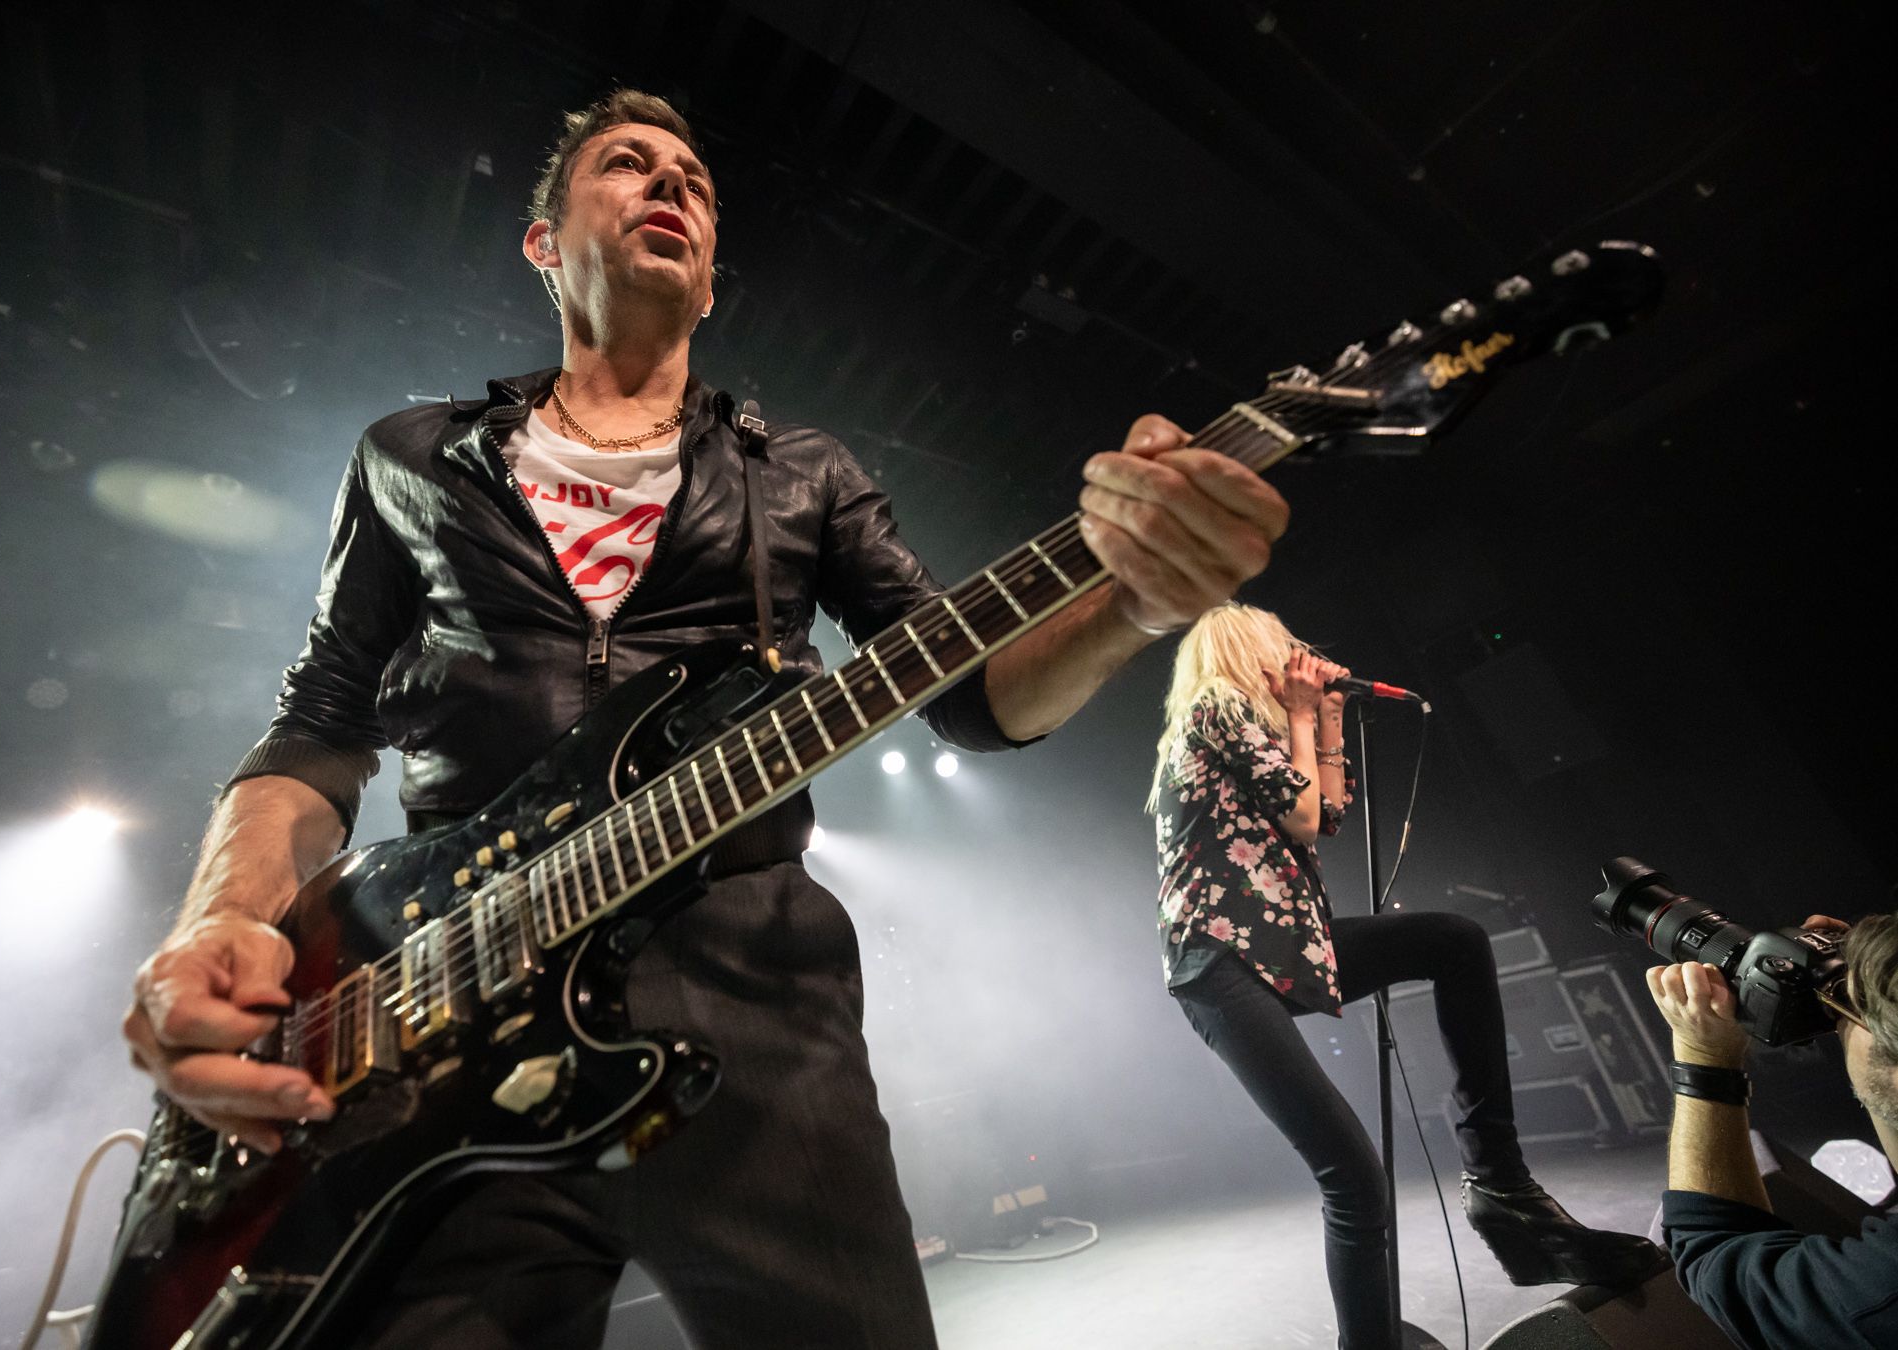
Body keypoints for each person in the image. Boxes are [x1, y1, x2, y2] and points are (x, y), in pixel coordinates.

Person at [117, 89, 1288, 1348]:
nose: (671, 183)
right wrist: (220, 919)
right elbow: (319, 724)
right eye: (628, 165)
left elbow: (971, 693)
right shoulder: (411, 456)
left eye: (697, 184)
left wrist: (1130, 603)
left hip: (749, 989)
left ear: (712, 281)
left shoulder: (803, 472)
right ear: (543, 242)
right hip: (441, 1001)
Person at [1150, 603, 1665, 1350]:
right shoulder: (1215, 707)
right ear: (1246, 653)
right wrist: (1304, 712)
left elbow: (1326, 811)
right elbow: (1302, 818)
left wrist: (1327, 717)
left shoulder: (1253, 728)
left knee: (1453, 941)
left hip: (1288, 943)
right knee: (1353, 1178)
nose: (1296, 658)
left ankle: (1499, 1183)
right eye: (1282, 648)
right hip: (1222, 962)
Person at [1645, 914, 1898, 1349]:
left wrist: (1704, 1054)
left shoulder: (1879, 1295)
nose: (1840, 1017)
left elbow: (1717, 1256)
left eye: (1848, 1003)